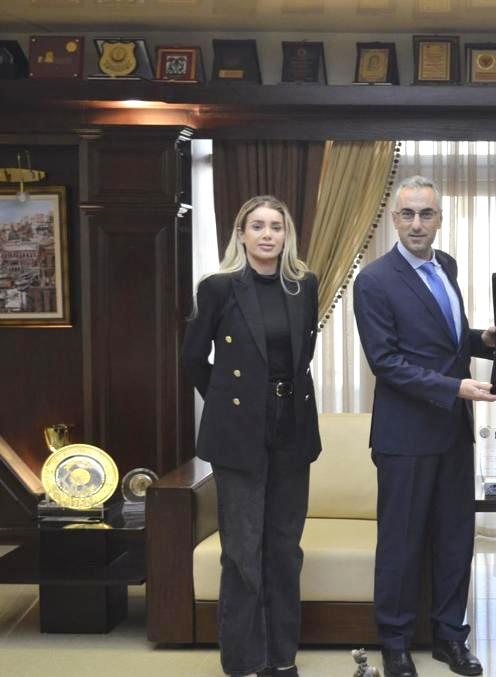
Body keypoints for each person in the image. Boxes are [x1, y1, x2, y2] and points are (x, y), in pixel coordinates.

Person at [352, 175, 496, 677]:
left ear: (440, 218)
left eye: (427, 214)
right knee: (401, 543)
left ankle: (450, 638)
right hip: (405, 436)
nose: (418, 223)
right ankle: (394, 643)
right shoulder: (374, 280)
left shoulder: (446, 266)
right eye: (408, 214)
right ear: (395, 219)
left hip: (453, 431)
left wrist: (484, 340)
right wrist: (456, 387)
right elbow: (386, 362)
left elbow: (446, 343)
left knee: (455, 539)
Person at [182, 195, 321, 677]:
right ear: (241, 234)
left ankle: (281, 659)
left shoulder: (304, 285)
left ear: (287, 235)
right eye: (257, 226)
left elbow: (302, 358)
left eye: (276, 227)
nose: (267, 235)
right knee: (242, 550)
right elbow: (193, 358)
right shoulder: (218, 287)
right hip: (238, 431)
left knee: (284, 549)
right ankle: (244, 662)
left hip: (291, 427)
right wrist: (227, 402)